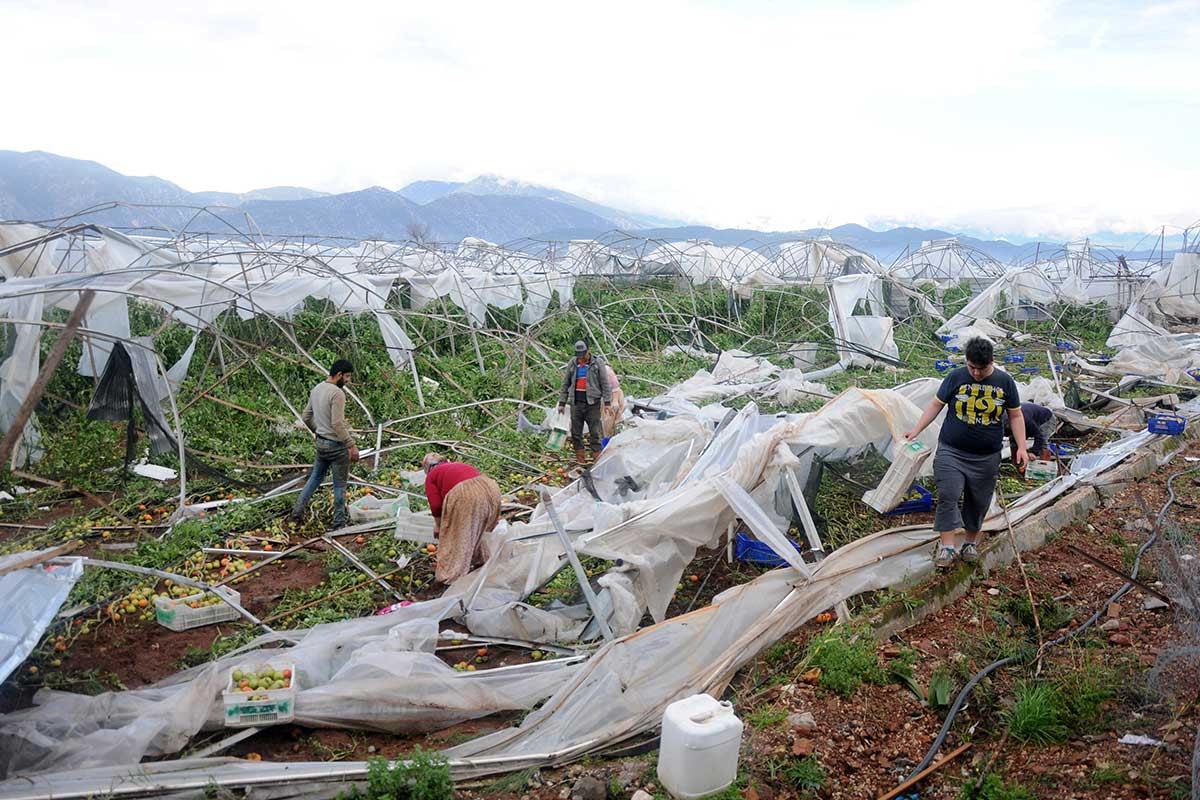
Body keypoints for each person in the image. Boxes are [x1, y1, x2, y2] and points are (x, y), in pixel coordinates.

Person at [903, 337, 1028, 569]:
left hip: (987, 456)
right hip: (952, 451)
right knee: (949, 494)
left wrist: (1021, 446)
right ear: (966, 362)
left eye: (982, 369)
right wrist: (916, 430)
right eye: (972, 368)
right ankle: (947, 547)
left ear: (992, 361)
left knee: (978, 501)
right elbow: (935, 405)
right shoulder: (955, 377)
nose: (977, 373)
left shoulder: (1005, 382)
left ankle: (970, 543)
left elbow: (1016, 415)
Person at [290, 359, 359, 529]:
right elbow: (337, 424)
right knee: (340, 485)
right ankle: (339, 522)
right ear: (339, 375)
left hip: (321, 444)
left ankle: (296, 513)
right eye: (347, 376)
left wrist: (318, 431)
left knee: (314, 478)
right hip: (336, 446)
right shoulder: (337, 393)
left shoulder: (317, 389)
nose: (348, 381)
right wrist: (351, 445)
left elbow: (306, 417)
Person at [421, 453, 501, 584]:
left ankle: (449, 579)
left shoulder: (432, 475)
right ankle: (483, 564)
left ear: (427, 467)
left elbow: (436, 505)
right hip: (491, 488)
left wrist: (438, 526)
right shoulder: (457, 465)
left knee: (456, 537)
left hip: (467, 494)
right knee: (479, 531)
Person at [557, 340, 612, 464]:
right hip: (576, 403)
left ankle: (596, 461)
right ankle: (580, 461)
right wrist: (562, 402)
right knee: (576, 433)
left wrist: (607, 402)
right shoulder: (573, 363)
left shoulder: (597, 363)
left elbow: (605, 383)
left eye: (583, 355)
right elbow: (566, 383)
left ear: (588, 351)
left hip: (593, 403)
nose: (581, 358)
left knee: (595, 433)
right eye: (578, 355)